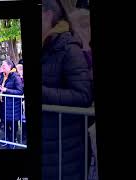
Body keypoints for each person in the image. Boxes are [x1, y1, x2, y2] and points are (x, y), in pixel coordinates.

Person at [41, 0, 93, 180]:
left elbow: (84, 94)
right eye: (79, 26)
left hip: (69, 148)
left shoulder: (69, 49)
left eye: (86, 26)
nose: (81, 31)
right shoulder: (50, 46)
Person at [0, 60, 23, 149]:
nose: (2, 67)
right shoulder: (2, 76)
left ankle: (13, 140)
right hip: (3, 104)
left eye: (4, 66)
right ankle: (7, 139)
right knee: (5, 122)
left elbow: (20, 91)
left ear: (10, 66)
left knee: (13, 124)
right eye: (2, 66)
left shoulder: (15, 76)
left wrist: (6, 90)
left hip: (13, 105)